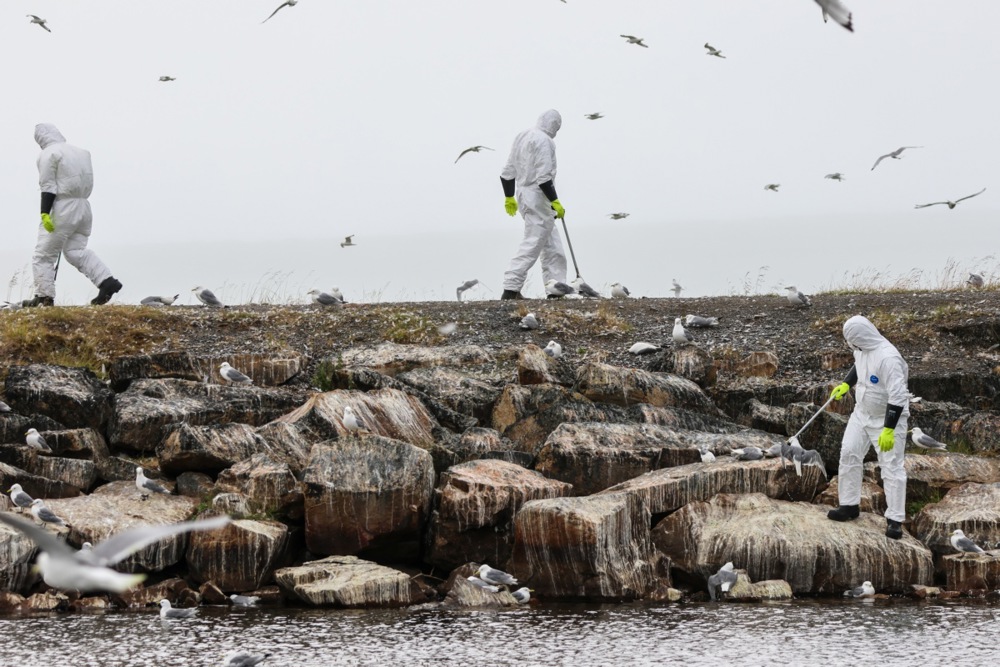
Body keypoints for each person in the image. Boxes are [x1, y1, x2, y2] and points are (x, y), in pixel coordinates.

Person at [826, 315, 909, 539]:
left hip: (887, 418)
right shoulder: (862, 347)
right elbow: (858, 365)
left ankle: (895, 519)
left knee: (891, 466)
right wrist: (846, 383)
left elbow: (898, 396)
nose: (850, 344)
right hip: (861, 413)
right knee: (849, 453)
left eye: (851, 340)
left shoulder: (888, 358)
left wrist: (889, 428)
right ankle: (849, 505)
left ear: (861, 335)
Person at [23, 123, 122, 307]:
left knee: (43, 255)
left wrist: (45, 213)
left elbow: (48, 186)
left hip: (63, 208)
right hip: (84, 206)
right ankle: (107, 281)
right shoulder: (82, 153)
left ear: (40, 139)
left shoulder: (48, 154)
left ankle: (44, 297)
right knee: (75, 251)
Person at [498, 109, 568, 300]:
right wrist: (554, 200)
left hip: (524, 194)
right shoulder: (545, 141)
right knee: (533, 241)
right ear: (554, 124)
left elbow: (507, 171)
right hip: (538, 197)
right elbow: (544, 178)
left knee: (553, 246)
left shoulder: (522, 136)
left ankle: (557, 288)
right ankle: (510, 288)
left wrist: (509, 196)